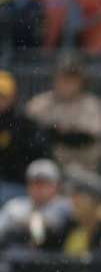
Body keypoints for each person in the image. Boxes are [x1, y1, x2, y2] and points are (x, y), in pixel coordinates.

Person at [25, 55, 101, 172]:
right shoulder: (40, 102)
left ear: (82, 80)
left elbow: (89, 136)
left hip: (84, 169)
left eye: (72, 78)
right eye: (63, 77)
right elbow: (28, 130)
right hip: (46, 172)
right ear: (55, 78)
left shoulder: (93, 104)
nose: (67, 82)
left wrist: (57, 132)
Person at [0, 159, 70, 250]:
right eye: (35, 183)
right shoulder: (15, 205)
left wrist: (23, 222)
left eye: (44, 183)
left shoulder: (64, 205)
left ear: (56, 185)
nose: (39, 188)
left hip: (51, 259)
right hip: (14, 258)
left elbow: (40, 233)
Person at [0, 70, 48, 204]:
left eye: (2, 96)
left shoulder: (25, 124)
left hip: (17, 185)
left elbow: (37, 155)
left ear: (13, 96)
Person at [61, 166, 101, 259]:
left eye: (78, 196)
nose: (73, 201)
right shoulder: (71, 225)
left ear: (94, 200)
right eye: (72, 196)